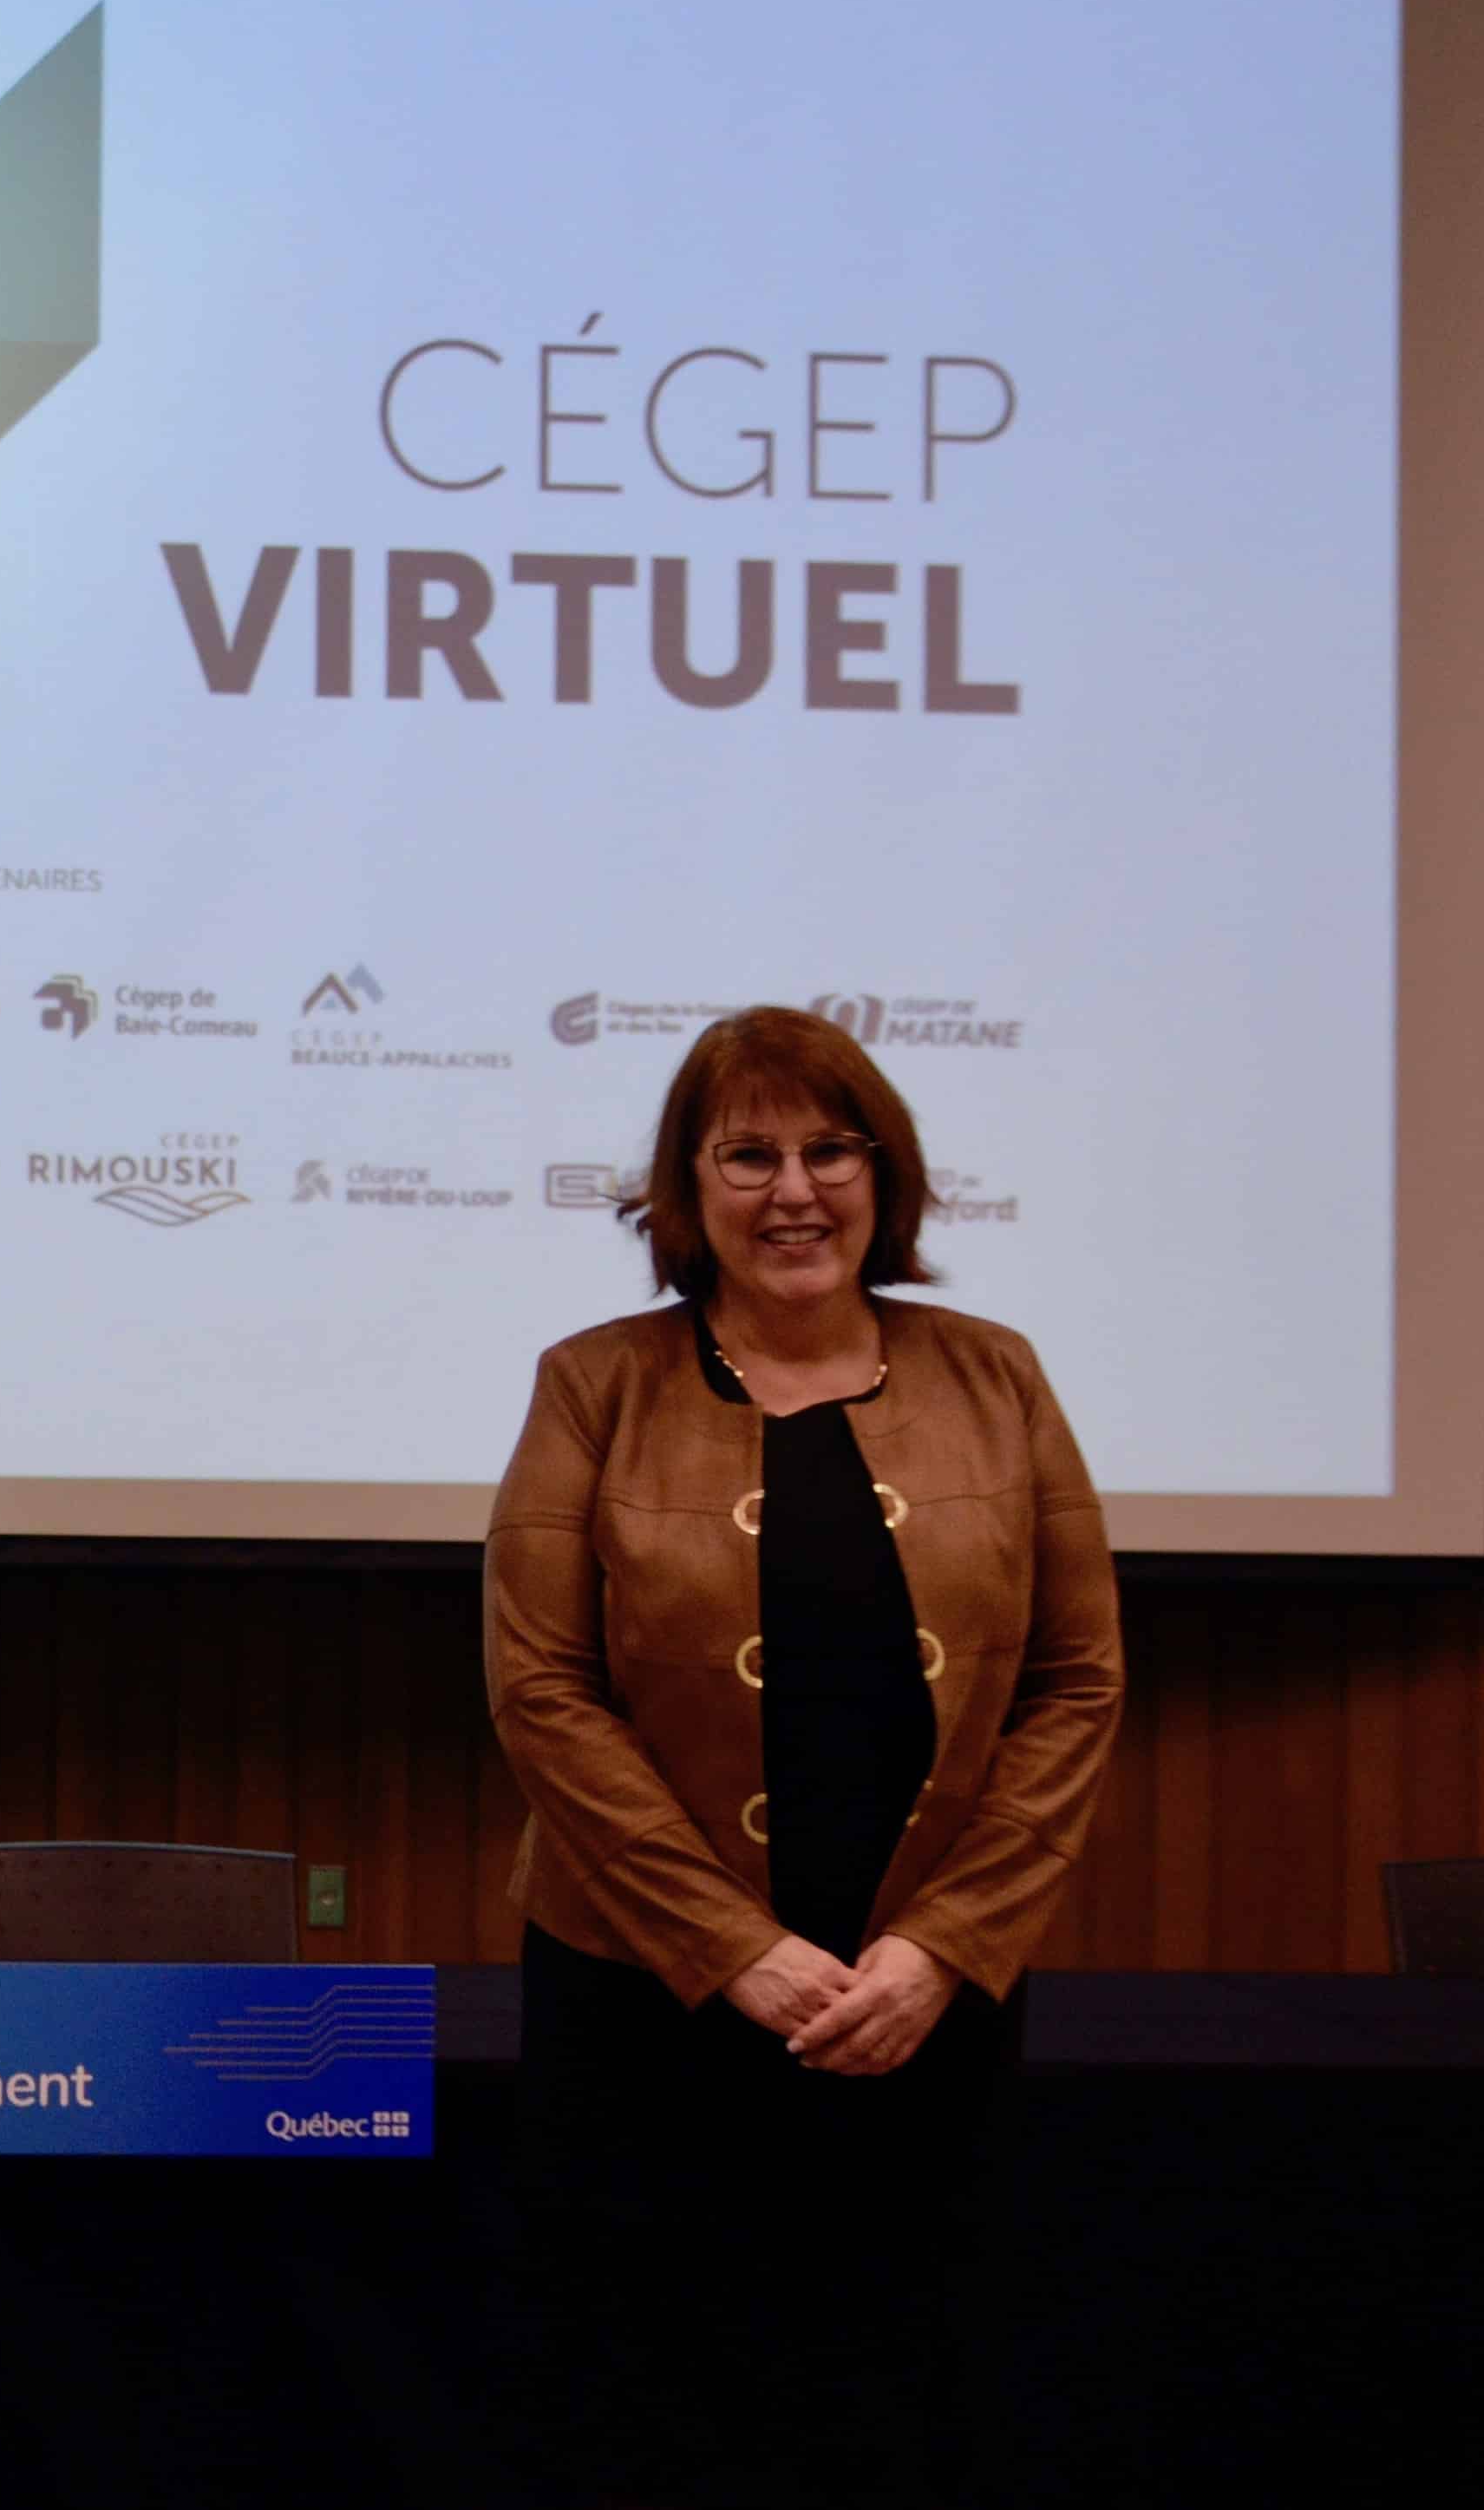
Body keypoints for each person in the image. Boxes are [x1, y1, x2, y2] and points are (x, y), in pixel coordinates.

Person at [486, 1006, 1123, 2510]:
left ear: (881, 1178)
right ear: (684, 1188)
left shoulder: (996, 1376)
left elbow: (1075, 1681)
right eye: (747, 1155)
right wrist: (733, 1952)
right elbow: (541, 1690)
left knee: (902, 2388)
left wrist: (943, 1948)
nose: (794, 1191)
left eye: (830, 1151)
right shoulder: (593, 1384)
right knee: (649, 2402)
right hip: (643, 1998)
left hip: (922, 2002)